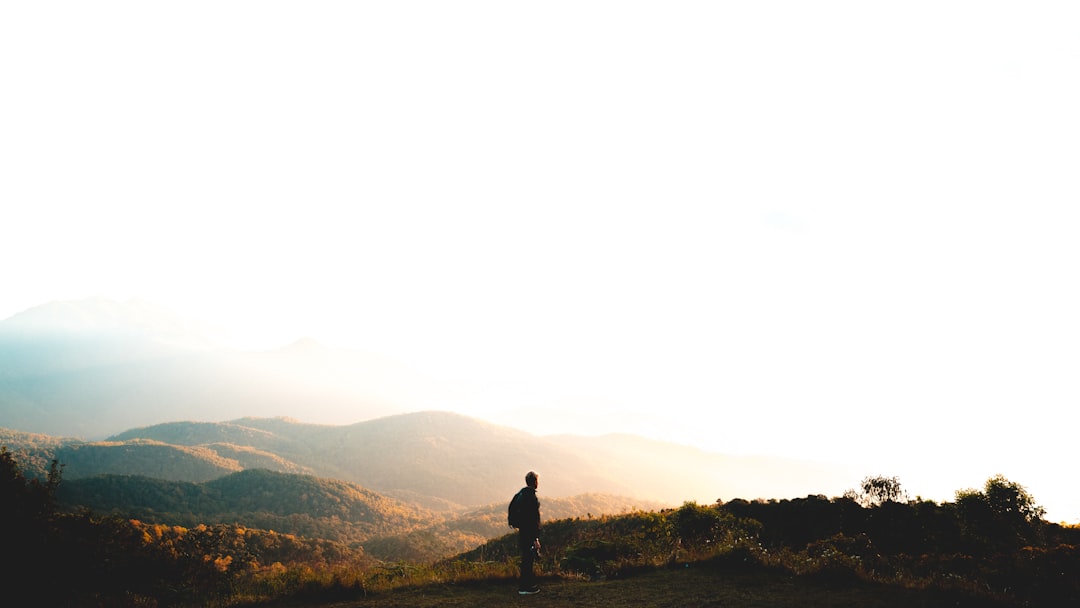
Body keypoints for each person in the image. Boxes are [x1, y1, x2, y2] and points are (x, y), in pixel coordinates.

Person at [513, 471, 542, 594]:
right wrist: (535, 538)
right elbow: (533, 519)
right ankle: (526, 587)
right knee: (528, 559)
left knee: (526, 557)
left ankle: (525, 585)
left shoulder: (521, 494)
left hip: (523, 531)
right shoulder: (531, 497)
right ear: (535, 482)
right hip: (529, 533)